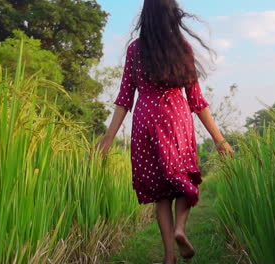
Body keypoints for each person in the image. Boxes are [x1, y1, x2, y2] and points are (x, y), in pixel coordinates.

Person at [96, 0, 233, 263]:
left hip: (145, 122)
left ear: (145, 16)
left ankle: (169, 257)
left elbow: (125, 98)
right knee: (184, 180)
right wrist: (219, 139)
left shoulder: (135, 50)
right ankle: (181, 228)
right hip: (176, 120)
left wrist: (109, 137)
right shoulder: (182, 49)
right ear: (173, 15)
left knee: (161, 195)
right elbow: (197, 101)